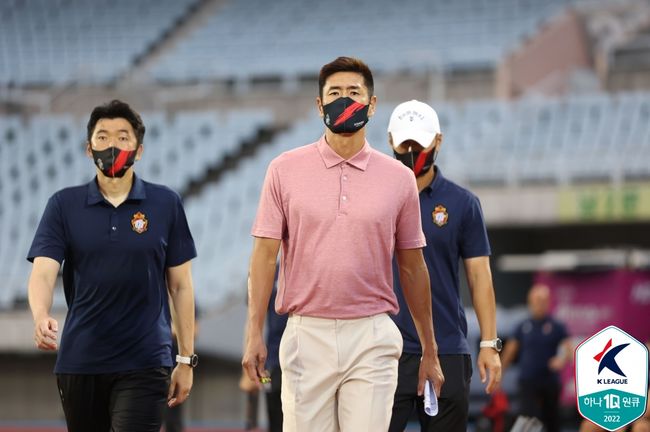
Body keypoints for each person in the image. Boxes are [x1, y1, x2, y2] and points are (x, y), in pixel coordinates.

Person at [242, 57, 444, 432]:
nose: (344, 100)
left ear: (372, 104)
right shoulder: (283, 170)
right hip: (306, 333)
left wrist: (429, 349)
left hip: (372, 335)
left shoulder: (399, 179)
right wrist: (253, 332)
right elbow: (264, 257)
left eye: (354, 92)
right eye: (334, 93)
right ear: (319, 105)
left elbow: (413, 267)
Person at [27, 99, 198, 432]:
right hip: (81, 361)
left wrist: (185, 360)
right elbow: (43, 272)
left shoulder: (166, 203)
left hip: (146, 360)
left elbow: (180, 285)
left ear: (139, 149)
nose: (112, 145)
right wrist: (40, 314)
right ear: (89, 149)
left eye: (123, 137)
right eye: (102, 137)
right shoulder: (63, 205)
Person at [386, 99, 502, 432]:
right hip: (383, 350)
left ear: (437, 140)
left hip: (447, 349)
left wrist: (489, 344)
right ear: (391, 140)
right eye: (404, 143)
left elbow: (480, 277)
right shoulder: (376, 200)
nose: (411, 150)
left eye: (419, 143)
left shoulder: (463, 204)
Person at [501, 283, 573, 432]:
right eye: (536, 300)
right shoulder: (522, 325)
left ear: (548, 302)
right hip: (528, 381)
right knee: (527, 418)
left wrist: (561, 360)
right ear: (530, 302)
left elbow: (568, 349)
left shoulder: (556, 326)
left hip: (549, 381)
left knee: (552, 419)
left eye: (542, 300)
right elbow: (510, 350)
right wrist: (499, 373)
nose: (539, 304)